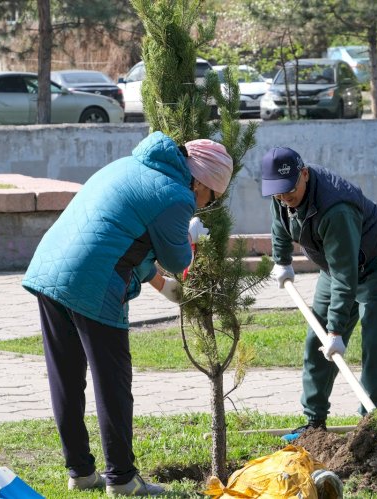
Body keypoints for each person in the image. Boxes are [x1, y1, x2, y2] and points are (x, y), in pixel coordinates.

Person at [22, 131, 232, 496]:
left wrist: (159, 284)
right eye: (210, 199)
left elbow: (121, 238)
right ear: (201, 182)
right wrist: (191, 236)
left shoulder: (129, 165)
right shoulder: (177, 194)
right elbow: (177, 258)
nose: (203, 206)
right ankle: (121, 479)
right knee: (113, 382)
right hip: (92, 282)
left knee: (66, 378)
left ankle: (81, 473)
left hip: (49, 271)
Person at [260, 146, 377, 439]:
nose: (285, 199)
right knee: (317, 343)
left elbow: (345, 274)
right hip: (335, 268)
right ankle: (313, 424)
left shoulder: (335, 208)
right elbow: (280, 224)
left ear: (304, 174)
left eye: (290, 191)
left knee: (373, 344)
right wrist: (282, 261)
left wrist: (336, 331)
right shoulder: (281, 195)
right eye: (278, 193)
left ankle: (373, 425)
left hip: (376, 268)